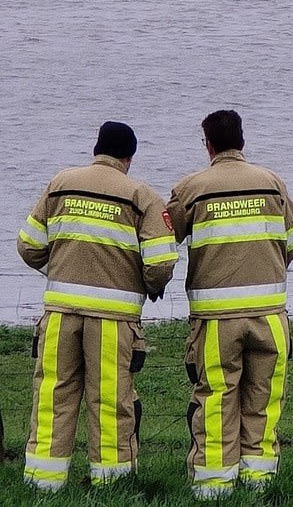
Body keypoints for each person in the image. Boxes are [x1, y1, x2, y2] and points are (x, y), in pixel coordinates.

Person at [17, 122, 177, 492]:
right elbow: (161, 263)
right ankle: (112, 483)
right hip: (113, 320)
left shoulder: (61, 184)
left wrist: (58, 266)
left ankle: (43, 481)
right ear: (129, 158)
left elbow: (28, 246)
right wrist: (150, 286)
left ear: (96, 149)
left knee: (52, 396)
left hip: (59, 314)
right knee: (110, 402)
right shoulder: (141, 195)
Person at [168, 109, 293, 499]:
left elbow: (164, 243)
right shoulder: (273, 184)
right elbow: (292, 242)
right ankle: (259, 484)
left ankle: (213, 486)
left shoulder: (191, 188)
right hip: (270, 315)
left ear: (207, 144)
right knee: (264, 400)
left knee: (215, 399)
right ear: (242, 140)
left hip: (215, 320)